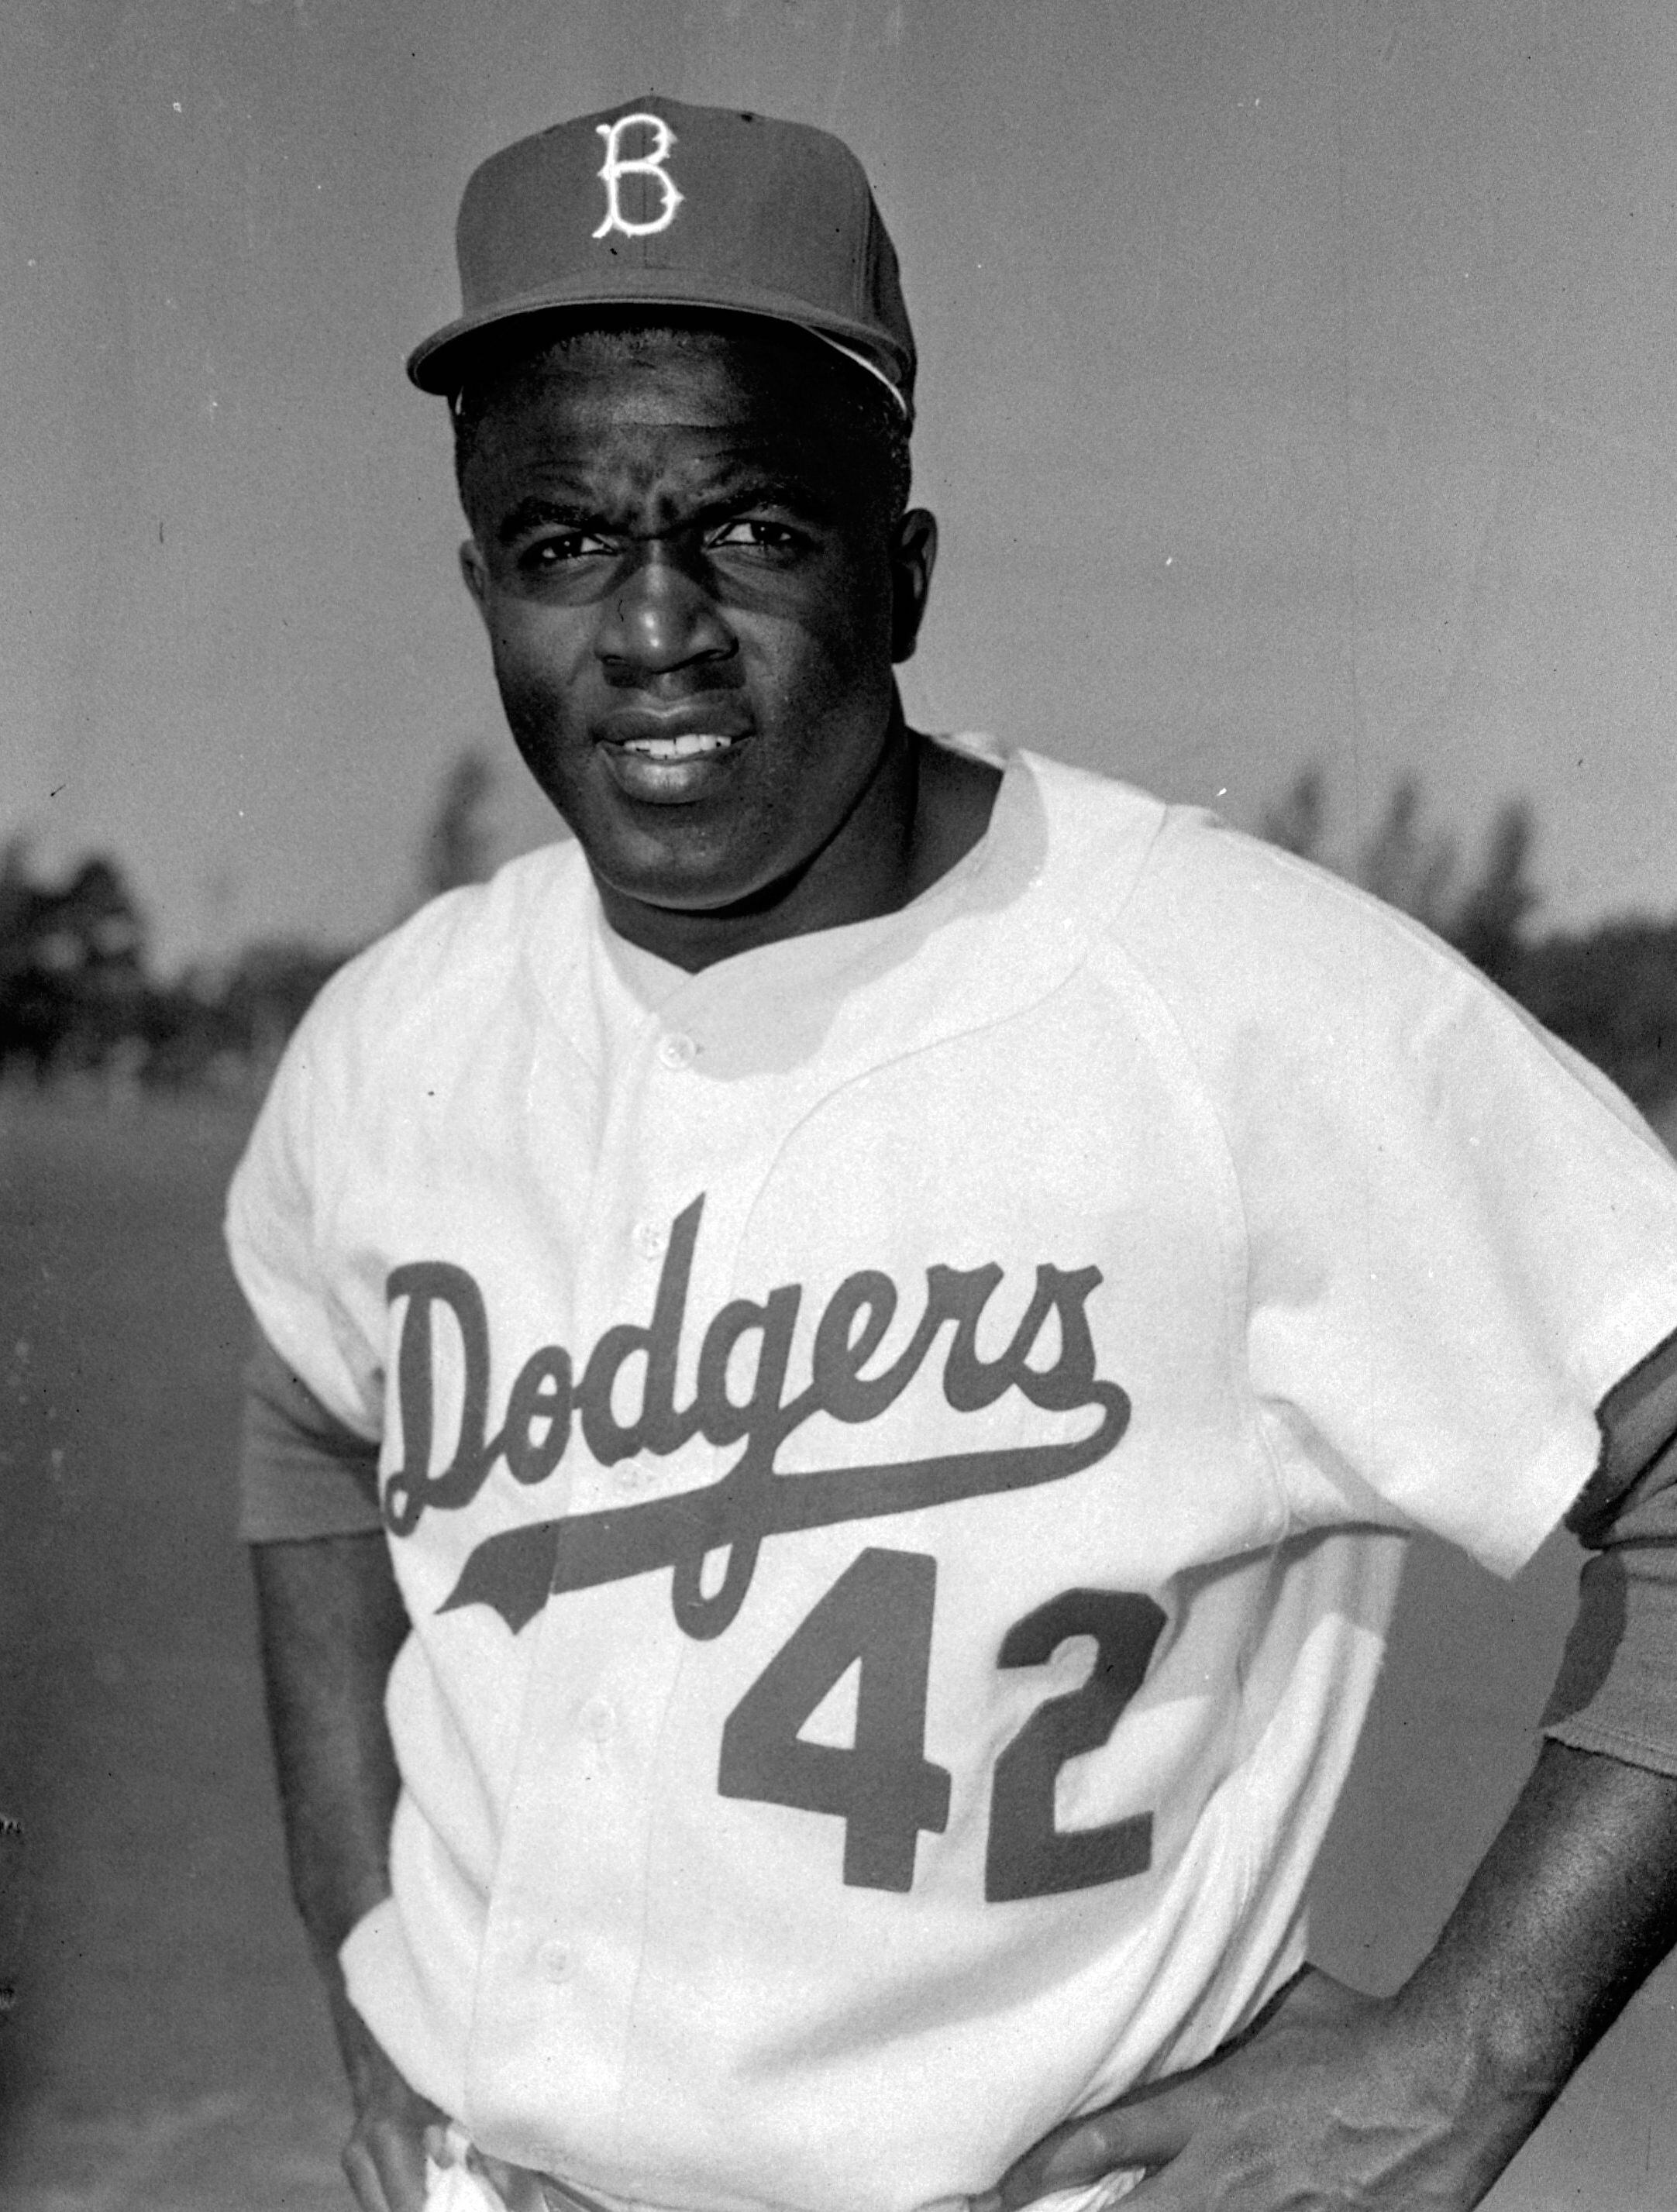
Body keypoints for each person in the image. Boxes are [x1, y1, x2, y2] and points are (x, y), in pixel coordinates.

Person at [227, 95, 1677, 2212]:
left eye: (752, 528)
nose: (653, 632)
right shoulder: (397, 1038)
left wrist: (1470, 2046)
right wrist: (363, 1977)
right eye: (564, 545)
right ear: (481, 584)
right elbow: (304, 1431)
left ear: (901, 573)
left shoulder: (1230, 999)